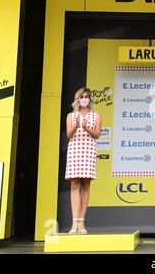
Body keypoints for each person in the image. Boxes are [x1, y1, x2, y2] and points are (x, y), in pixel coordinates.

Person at [65, 87, 102, 234]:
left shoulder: (96, 115)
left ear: (90, 99)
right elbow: (69, 134)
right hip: (75, 149)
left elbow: (97, 134)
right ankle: (74, 224)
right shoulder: (71, 116)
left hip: (88, 149)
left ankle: (82, 223)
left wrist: (86, 127)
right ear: (77, 99)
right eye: (82, 96)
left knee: (86, 185)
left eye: (87, 96)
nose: (84, 98)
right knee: (74, 185)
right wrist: (75, 126)